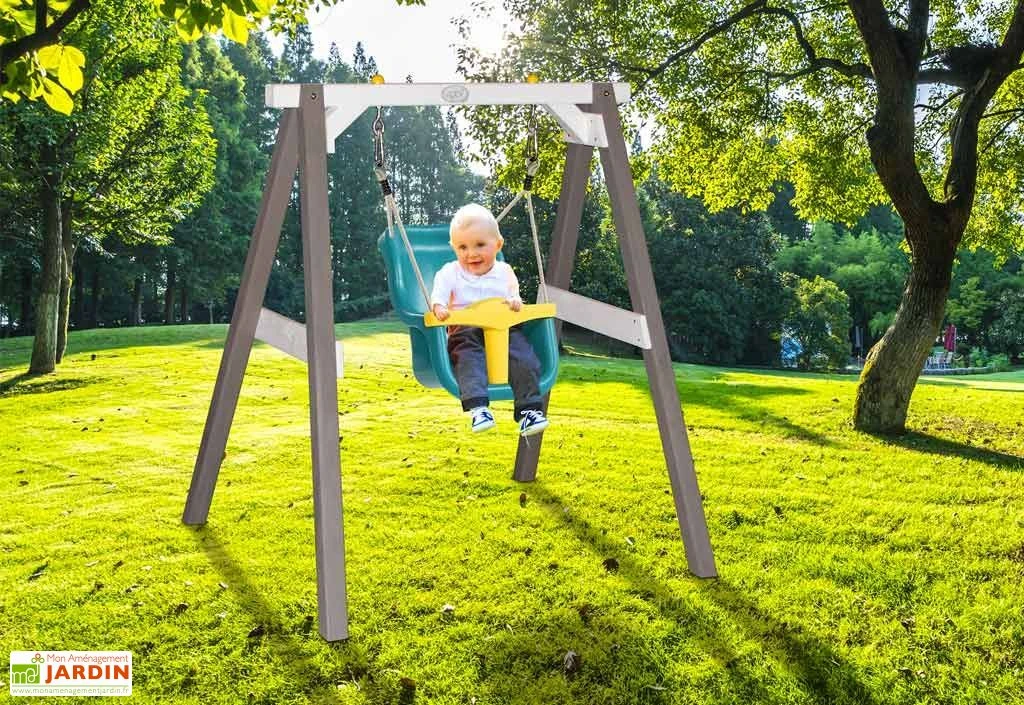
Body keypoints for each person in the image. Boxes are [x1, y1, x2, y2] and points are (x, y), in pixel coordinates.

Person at [431, 204, 549, 436]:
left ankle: (529, 412)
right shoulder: (450, 272)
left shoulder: (504, 271)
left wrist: (515, 301)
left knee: (524, 356)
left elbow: (512, 295)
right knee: (468, 358)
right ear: (453, 248)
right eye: (462, 247)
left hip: (504, 330)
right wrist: (439, 306)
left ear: (498, 244)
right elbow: (439, 294)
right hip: (465, 330)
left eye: (480, 245)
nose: (471, 253)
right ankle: (478, 408)